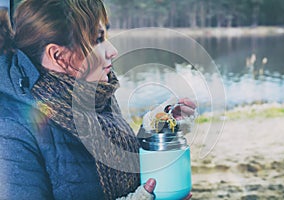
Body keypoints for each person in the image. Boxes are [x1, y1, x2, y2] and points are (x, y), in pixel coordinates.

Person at [0, 0, 194, 199]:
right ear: (58, 55)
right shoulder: (10, 131)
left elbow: (114, 162)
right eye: (97, 40)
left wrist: (155, 128)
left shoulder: (94, 94)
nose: (112, 51)